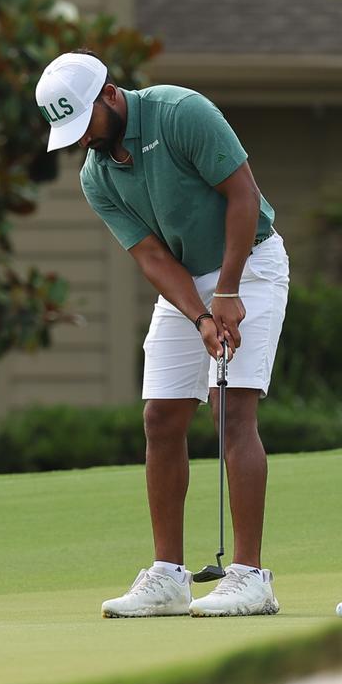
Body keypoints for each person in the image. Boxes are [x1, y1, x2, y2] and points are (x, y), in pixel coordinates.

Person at [35, 50, 289, 617]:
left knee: (230, 409)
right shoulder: (96, 175)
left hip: (250, 263)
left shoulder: (181, 112)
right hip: (185, 284)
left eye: (85, 126)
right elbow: (149, 255)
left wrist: (226, 292)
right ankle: (170, 577)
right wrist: (200, 315)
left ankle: (250, 576)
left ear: (109, 95)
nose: (82, 141)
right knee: (161, 417)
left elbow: (243, 195)